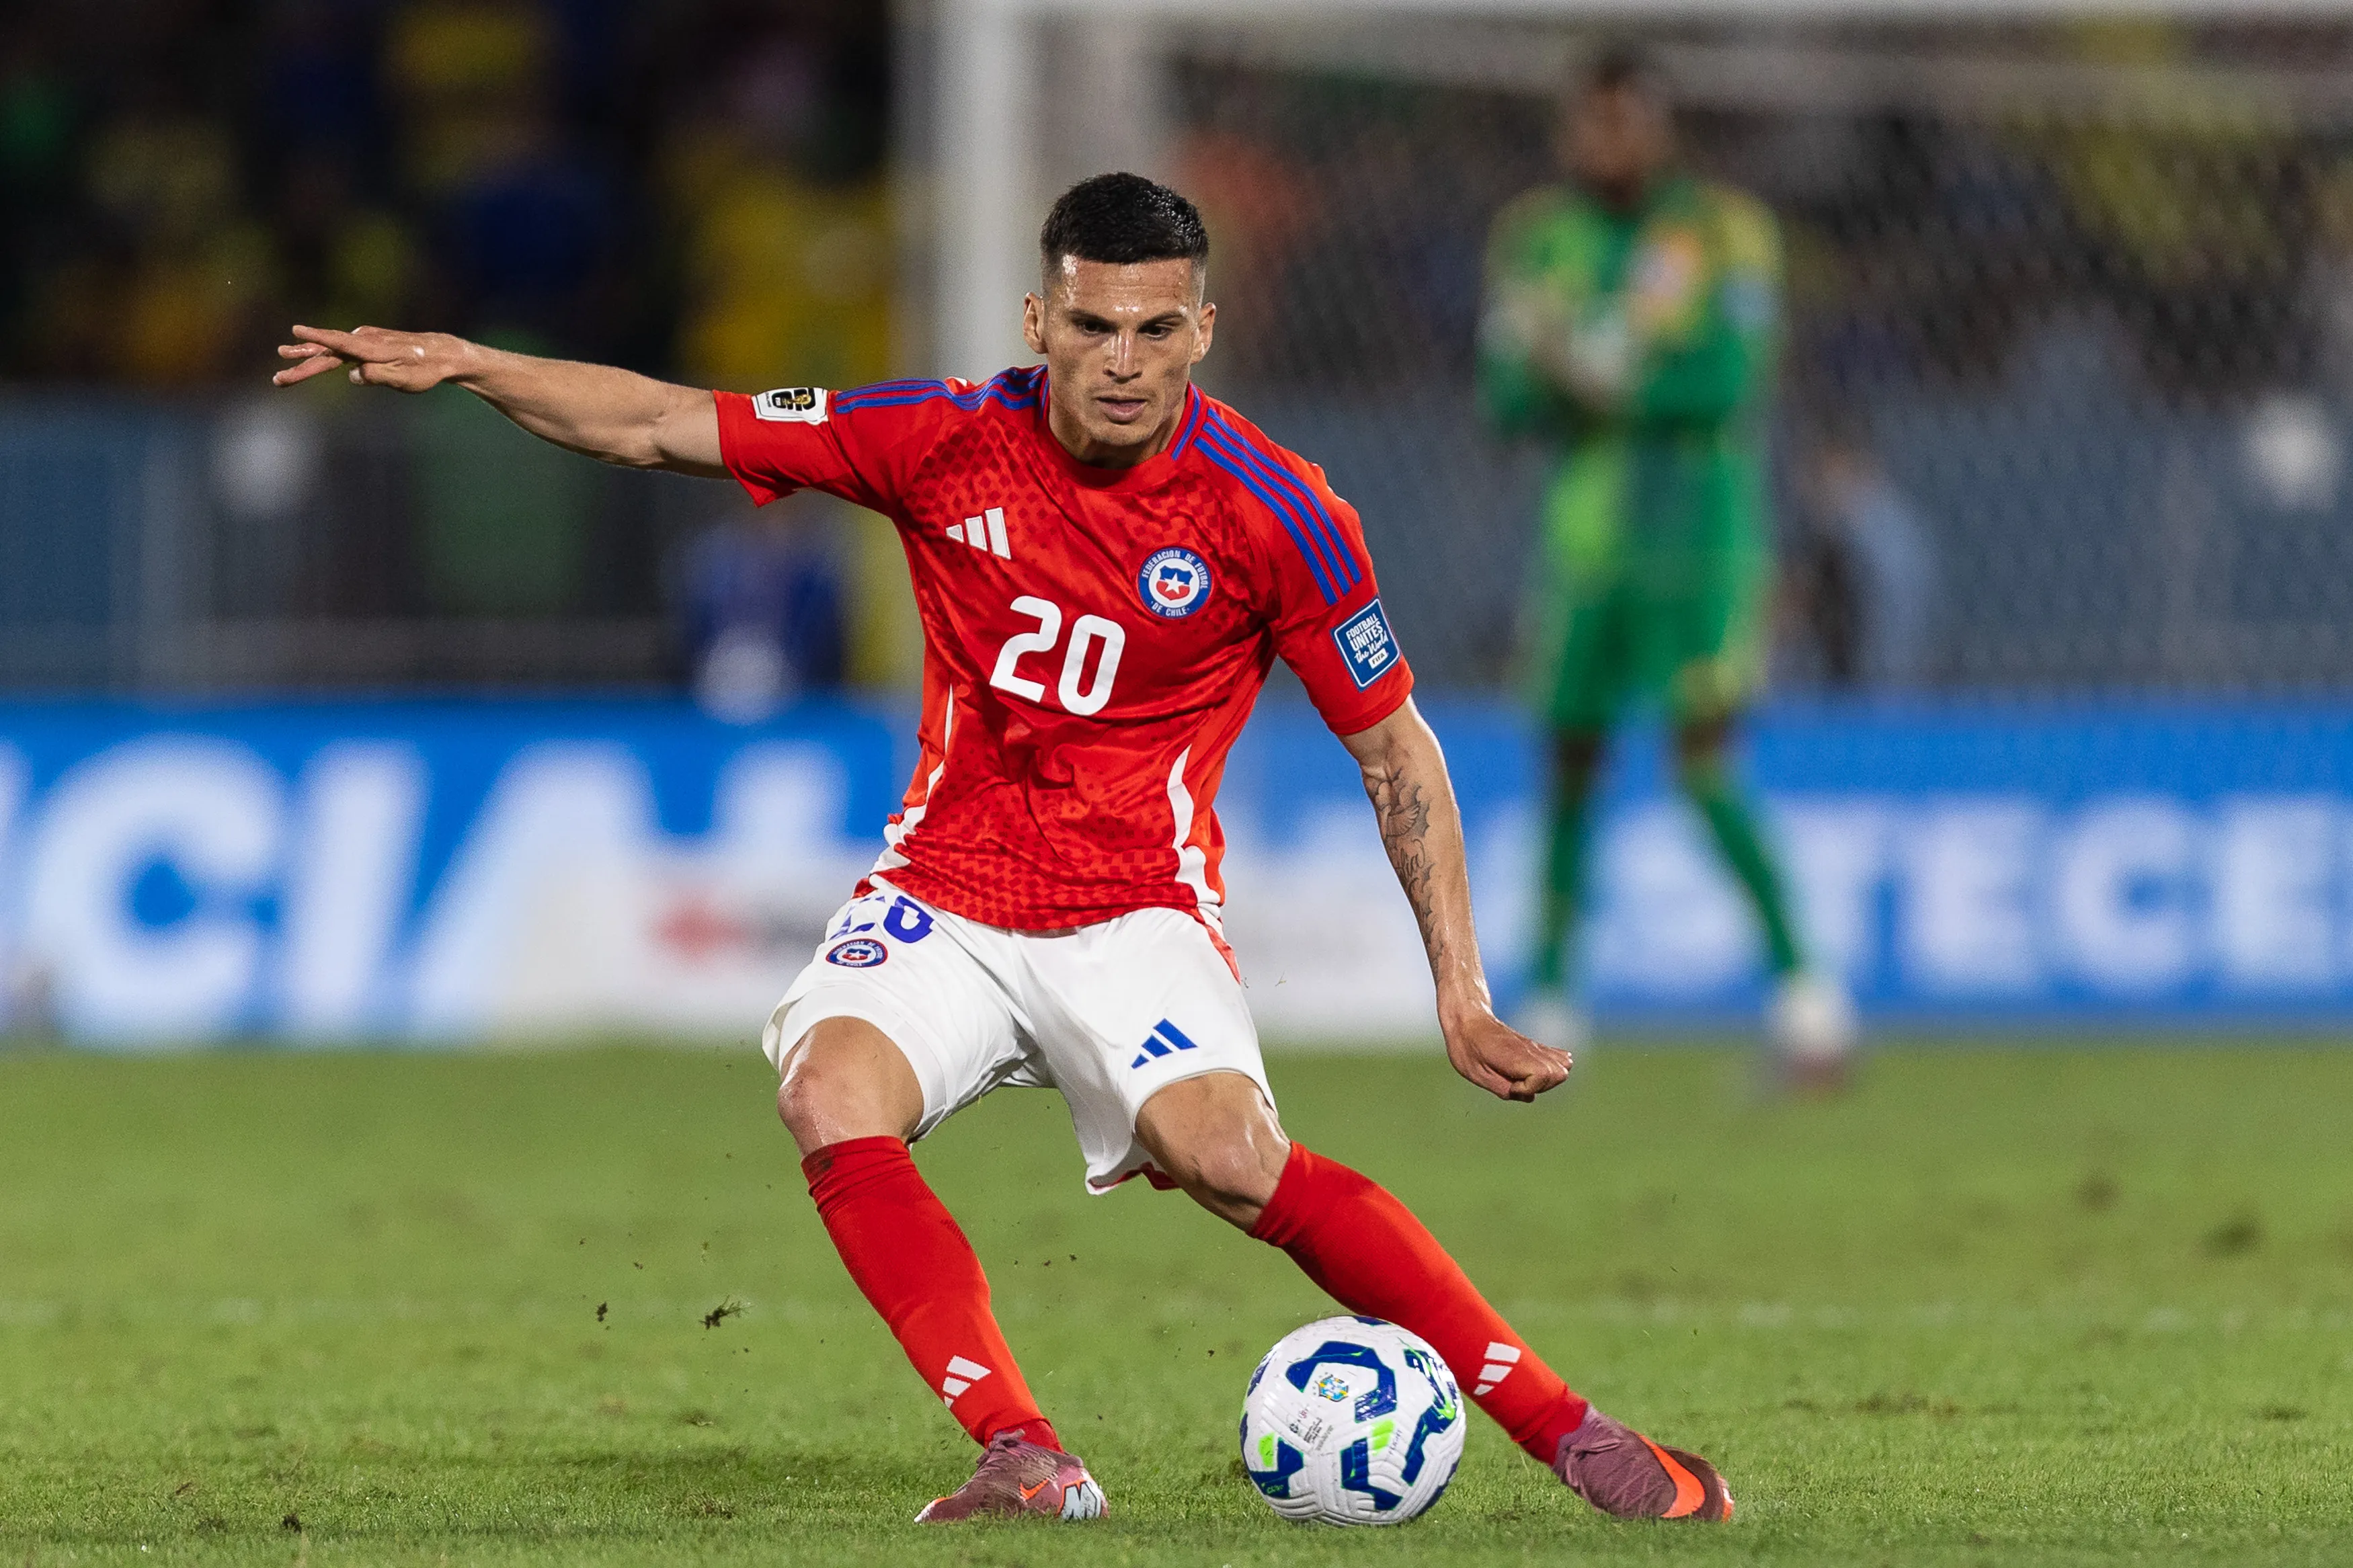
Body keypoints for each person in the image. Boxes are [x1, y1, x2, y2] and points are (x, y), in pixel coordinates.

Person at [272, 172, 1734, 1526]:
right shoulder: (939, 435)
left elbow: (1397, 749)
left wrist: (1460, 991)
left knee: (1225, 1153)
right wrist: (473, 364)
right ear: (1040, 318)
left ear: (1202, 331)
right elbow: (662, 422)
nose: (1121, 357)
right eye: (1092, 323)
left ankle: (1575, 1434)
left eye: (1157, 328)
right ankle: (1023, 1448)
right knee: (830, 1088)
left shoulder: (1279, 513)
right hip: (945, 897)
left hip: (1132, 909)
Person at [1478, 50, 1855, 1079]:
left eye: (1625, 122)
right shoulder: (1536, 239)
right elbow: (1505, 398)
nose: (1607, 143)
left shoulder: (1724, 232)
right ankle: (1553, 1000)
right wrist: (1558, 376)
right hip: (1585, 547)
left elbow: (1730, 379)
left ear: (1657, 125)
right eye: (1590, 124)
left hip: (1701, 539)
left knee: (1703, 761)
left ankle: (1805, 997)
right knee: (1568, 762)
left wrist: (1596, 376)